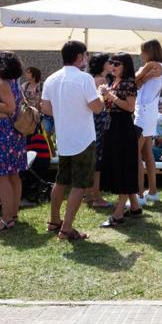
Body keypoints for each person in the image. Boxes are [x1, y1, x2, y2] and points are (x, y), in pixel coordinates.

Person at [41, 40, 104, 241]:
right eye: (85, 55)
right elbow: (96, 108)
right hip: (83, 139)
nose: (87, 58)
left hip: (64, 137)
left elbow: (45, 108)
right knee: (79, 184)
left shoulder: (51, 78)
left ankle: (54, 221)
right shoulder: (85, 78)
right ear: (78, 57)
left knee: (61, 180)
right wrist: (102, 96)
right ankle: (66, 228)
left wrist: (64, 112)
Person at [0, 51, 28, 232]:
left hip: (3, 130)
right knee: (13, 175)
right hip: (15, 132)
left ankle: (6, 218)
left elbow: (10, 108)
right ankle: (13, 213)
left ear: (3, 66)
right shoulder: (14, 83)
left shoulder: (3, 84)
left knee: (2, 176)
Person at [98, 53, 144, 228]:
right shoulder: (113, 82)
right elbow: (110, 105)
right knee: (118, 164)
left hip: (123, 127)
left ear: (125, 65)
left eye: (117, 63)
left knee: (123, 166)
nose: (113, 66)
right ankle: (134, 207)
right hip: (112, 126)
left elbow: (130, 108)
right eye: (112, 63)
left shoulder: (128, 82)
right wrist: (105, 95)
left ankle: (118, 214)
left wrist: (110, 96)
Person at [134, 39, 162, 204]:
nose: (141, 54)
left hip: (144, 112)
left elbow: (135, 80)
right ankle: (152, 192)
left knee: (135, 154)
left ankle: (139, 195)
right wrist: (142, 78)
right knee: (147, 153)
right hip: (148, 111)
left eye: (143, 51)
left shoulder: (154, 65)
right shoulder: (156, 66)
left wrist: (142, 75)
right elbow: (138, 82)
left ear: (149, 51)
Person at [85, 53, 112, 208]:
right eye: (109, 62)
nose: (112, 64)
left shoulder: (93, 79)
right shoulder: (101, 81)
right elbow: (103, 104)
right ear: (102, 64)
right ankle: (96, 196)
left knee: (93, 159)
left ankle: (89, 194)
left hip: (94, 122)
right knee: (97, 161)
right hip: (99, 122)